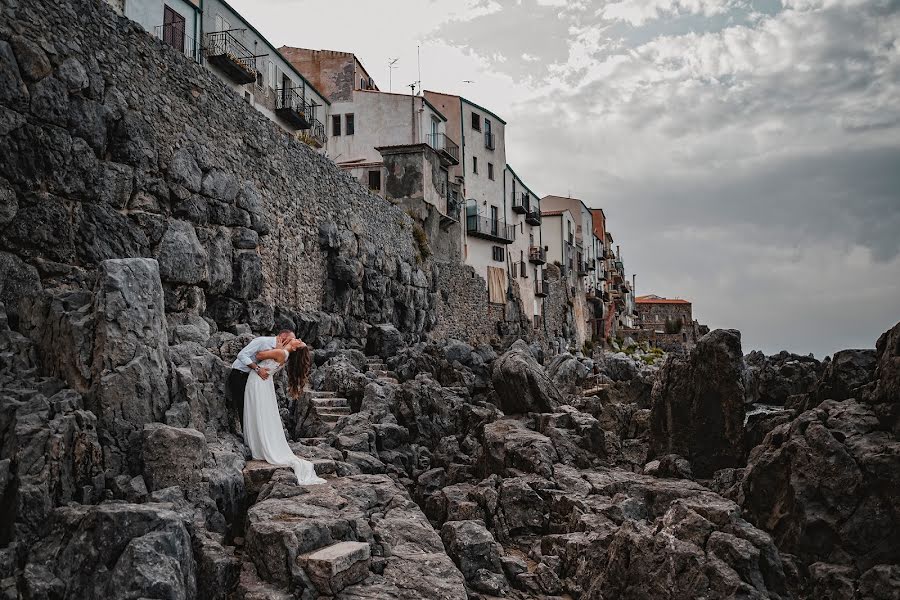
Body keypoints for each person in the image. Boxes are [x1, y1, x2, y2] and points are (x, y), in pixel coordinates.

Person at [243, 337, 326, 486]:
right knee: (261, 413)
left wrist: (276, 348)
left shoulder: (282, 353)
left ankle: (258, 446)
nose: (298, 339)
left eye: (299, 342)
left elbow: (259, 356)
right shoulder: (283, 354)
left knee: (257, 412)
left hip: (257, 381)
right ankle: (259, 445)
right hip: (263, 383)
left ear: (295, 348)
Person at [227, 330, 295, 435]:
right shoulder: (262, 341)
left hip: (254, 380)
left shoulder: (279, 351)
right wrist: (257, 368)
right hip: (240, 375)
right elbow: (241, 355)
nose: (292, 342)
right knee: (244, 407)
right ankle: (248, 436)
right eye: (291, 339)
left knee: (254, 407)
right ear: (283, 337)